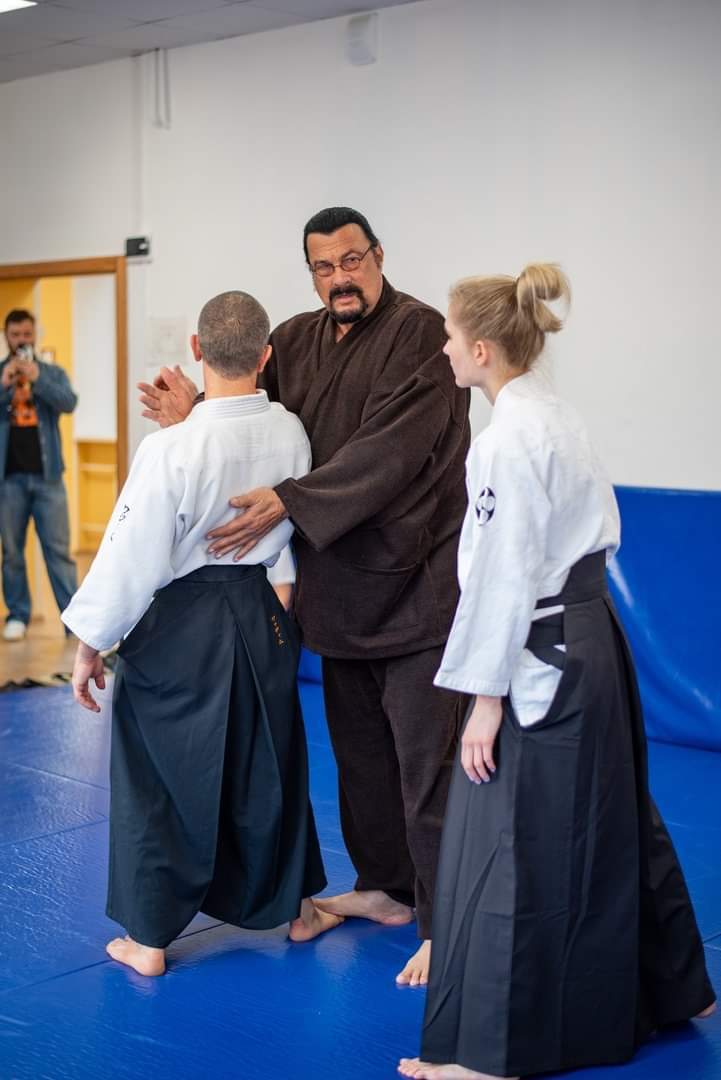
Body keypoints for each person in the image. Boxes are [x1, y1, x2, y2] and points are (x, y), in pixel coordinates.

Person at [398, 265, 715, 1080]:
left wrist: (483, 699)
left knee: (512, 837)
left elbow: (503, 573)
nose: (442, 350)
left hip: (543, 646)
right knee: (613, 812)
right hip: (590, 637)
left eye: (447, 337)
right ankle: (674, 986)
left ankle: (492, 1053)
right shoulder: (556, 413)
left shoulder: (505, 439)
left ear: (480, 348)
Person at [138, 207, 471, 985]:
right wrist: (195, 420)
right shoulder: (293, 340)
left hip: (415, 591)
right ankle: (387, 887)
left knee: (427, 771)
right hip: (338, 591)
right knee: (361, 762)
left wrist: (290, 499)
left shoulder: (419, 334)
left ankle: (448, 921)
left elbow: (389, 452)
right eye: (324, 267)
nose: (339, 278)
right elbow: (250, 421)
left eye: (351, 261)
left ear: (377, 256)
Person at [64, 291, 341, 978]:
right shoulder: (291, 431)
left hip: (182, 621)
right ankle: (300, 908)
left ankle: (150, 940)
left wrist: (89, 642)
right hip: (260, 614)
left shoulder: (172, 448)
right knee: (269, 761)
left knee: (158, 772)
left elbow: (132, 554)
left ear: (195, 350)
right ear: (265, 355)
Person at [0, 309, 77, 641]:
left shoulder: (51, 372)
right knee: (12, 552)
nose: (21, 341)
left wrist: (37, 378)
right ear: (6, 337)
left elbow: (69, 402)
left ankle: (73, 620)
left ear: (35, 335)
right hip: (9, 480)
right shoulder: (1, 373)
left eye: (27, 335)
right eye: (15, 335)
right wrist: (4, 385)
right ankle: (18, 615)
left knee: (58, 551)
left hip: (49, 478)